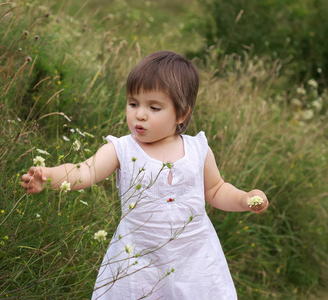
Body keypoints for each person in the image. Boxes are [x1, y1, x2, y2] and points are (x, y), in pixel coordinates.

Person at [21, 50, 269, 299]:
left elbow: (216, 190)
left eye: (153, 107)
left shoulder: (197, 149)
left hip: (195, 259)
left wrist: (245, 199)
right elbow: (85, 170)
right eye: (133, 104)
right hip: (138, 259)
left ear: (181, 114)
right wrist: (50, 177)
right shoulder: (122, 149)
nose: (140, 114)